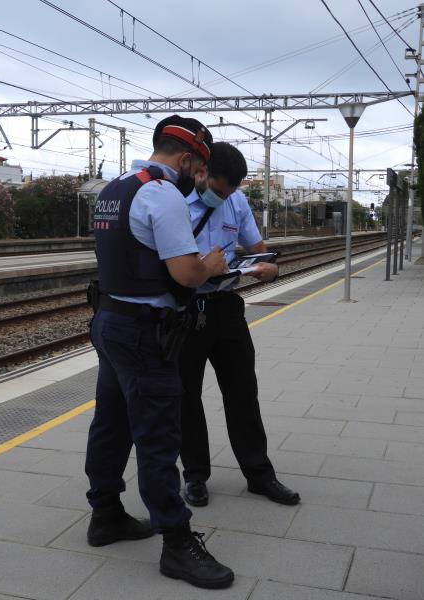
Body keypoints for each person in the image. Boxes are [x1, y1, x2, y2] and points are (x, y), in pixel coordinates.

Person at [85, 116, 234, 589]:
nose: (198, 180)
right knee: (157, 436)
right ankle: (177, 542)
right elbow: (186, 272)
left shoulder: (116, 186)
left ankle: (105, 514)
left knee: (111, 423)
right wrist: (210, 264)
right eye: (199, 170)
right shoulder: (162, 193)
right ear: (188, 159)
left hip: (109, 322)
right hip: (144, 332)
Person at [180, 142, 301, 507]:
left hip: (227, 308)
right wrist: (204, 269)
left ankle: (259, 474)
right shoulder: (175, 203)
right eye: (220, 189)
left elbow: (256, 249)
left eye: (232, 189)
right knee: (186, 397)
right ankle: (196, 477)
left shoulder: (236, 200)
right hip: (186, 310)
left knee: (243, 392)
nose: (226, 196)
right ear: (201, 172)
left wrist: (269, 268)